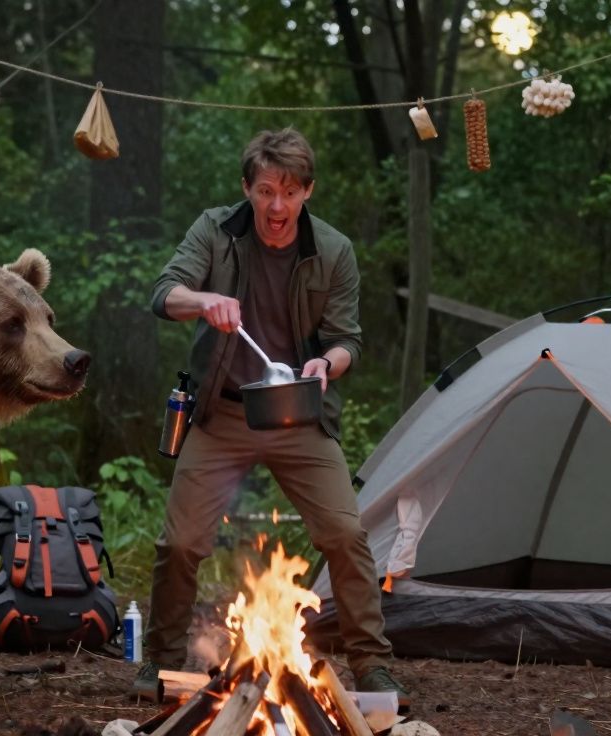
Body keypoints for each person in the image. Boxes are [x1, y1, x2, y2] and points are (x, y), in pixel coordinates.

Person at [136, 128, 408, 703]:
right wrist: (203, 301)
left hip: (300, 412)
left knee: (345, 532)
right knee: (181, 542)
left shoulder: (332, 250)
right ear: (247, 189)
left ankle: (371, 666)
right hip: (226, 411)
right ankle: (158, 662)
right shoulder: (216, 231)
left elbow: (348, 342)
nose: (276, 206)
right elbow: (164, 293)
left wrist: (324, 366)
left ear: (307, 191)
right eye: (264, 191)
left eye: (288, 192)